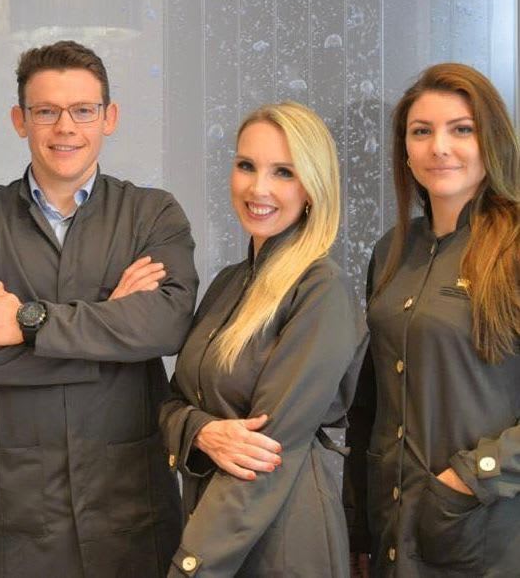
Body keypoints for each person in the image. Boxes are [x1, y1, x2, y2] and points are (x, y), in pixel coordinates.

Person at [0, 40, 199, 577]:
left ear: (109, 117)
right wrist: (111, 332)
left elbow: (166, 325)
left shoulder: (153, 214)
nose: (65, 128)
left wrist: (24, 323)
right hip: (17, 513)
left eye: (83, 110)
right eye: (46, 112)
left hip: (129, 501)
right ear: (19, 120)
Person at [160, 102, 367, 576]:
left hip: (283, 540)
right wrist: (201, 431)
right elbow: (171, 403)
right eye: (246, 166)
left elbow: (268, 451)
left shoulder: (321, 289)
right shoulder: (227, 283)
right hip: (214, 528)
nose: (258, 188)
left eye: (283, 172)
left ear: (312, 187)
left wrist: (191, 566)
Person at [344, 63, 520, 577]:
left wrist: (469, 479)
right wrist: (358, 523)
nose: (439, 147)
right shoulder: (391, 252)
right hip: (390, 530)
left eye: (461, 129)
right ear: (405, 150)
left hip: (486, 531)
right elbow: (369, 401)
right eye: (421, 132)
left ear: (491, 140)